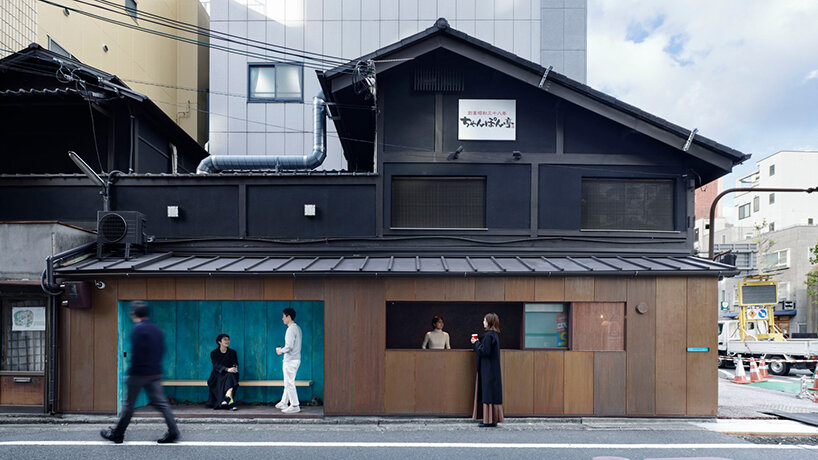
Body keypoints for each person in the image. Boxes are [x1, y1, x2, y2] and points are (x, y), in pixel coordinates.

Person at [101, 300, 179, 443]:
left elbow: (137, 353)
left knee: (129, 405)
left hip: (139, 373)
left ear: (134, 313)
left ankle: (118, 434)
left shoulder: (137, 329)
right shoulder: (156, 329)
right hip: (155, 372)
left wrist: (132, 372)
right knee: (162, 404)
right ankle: (173, 432)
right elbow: (162, 350)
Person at [470, 312, 503, 428]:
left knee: (487, 392)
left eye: (484, 320)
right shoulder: (494, 335)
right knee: (492, 392)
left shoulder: (489, 335)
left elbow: (484, 351)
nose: (483, 322)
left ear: (489, 322)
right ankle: (492, 419)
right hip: (493, 368)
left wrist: (476, 343)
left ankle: (488, 420)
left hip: (487, 368)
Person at [275, 307, 302, 414]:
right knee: (288, 382)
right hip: (296, 359)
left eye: (283, 316)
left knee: (289, 383)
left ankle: (295, 405)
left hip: (290, 360)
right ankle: (284, 402)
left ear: (288, 317)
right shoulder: (297, 328)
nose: (282, 319)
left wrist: (280, 351)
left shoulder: (290, 329)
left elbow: (289, 346)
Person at [206, 333, 239, 410]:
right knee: (230, 377)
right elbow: (216, 365)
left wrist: (235, 368)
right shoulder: (214, 353)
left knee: (231, 375)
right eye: (225, 339)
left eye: (228, 339)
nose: (227, 341)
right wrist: (227, 369)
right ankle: (230, 402)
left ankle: (227, 398)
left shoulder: (232, 352)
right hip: (218, 375)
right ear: (219, 342)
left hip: (231, 373)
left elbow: (235, 363)